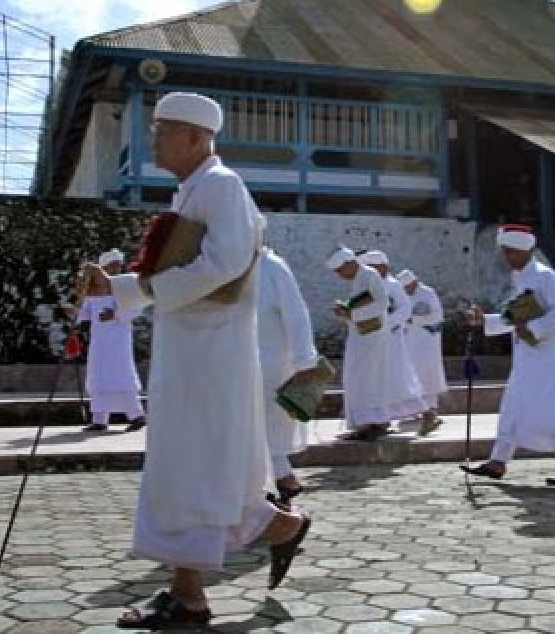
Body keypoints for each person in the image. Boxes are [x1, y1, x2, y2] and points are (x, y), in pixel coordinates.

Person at [84, 92, 309, 629]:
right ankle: (269, 534)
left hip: (212, 356)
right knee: (196, 466)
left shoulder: (221, 186)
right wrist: (115, 286)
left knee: (193, 466)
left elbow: (225, 262)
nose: (153, 139)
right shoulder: (194, 190)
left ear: (196, 137)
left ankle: (190, 595)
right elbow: (178, 271)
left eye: (163, 130)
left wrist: (143, 289)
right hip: (190, 351)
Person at [461, 224, 555, 487]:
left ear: (525, 250)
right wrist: (486, 321)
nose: (508, 258)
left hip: (548, 357)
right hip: (526, 357)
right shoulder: (520, 278)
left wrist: (534, 330)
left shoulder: (545, 276)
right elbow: (515, 315)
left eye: (512, 252)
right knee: (513, 406)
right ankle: (497, 462)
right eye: (505, 252)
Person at [327, 247, 425, 440]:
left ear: (347, 264)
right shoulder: (361, 278)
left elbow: (380, 305)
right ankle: (368, 423)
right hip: (363, 337)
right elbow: (364, 305)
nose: (339, 276)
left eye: (339, 271)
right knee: (360, 379)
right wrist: (346, 311)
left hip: (372, 338)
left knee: (366, 380)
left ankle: (371, 424)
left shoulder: (369, 275)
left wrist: (351, 314)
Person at [258, 246, 318, 503]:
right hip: (236, 362)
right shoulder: (228, 266)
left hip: (272, 362)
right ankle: (279, 481)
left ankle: (281, 482)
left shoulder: (272, 267)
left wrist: (304, 359)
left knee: (269, 424)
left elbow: (297, 316)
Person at [75, 249, 146, 433]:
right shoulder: (93, 291)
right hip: (99, 341)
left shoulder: (124, 286)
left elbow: (136, 308)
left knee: (121, 374)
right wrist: (82, 322)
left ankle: (137, 416)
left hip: (118, 339)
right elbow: (86, 310)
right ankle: (99, 419)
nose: (115, 269)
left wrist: (116, 314)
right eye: (111, 266)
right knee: (98, 376)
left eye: (117, 266)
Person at [398, 268, 447, 435]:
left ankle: (431, 409)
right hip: (410, 341)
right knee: (414, 374)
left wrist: (415, 319)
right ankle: (422, 411)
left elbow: (438, 316)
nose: (407, 290)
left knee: (428, 374)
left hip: (427, 342)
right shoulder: (404, 296)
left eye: (408, 287)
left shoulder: (428, 294)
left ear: (414, 283)